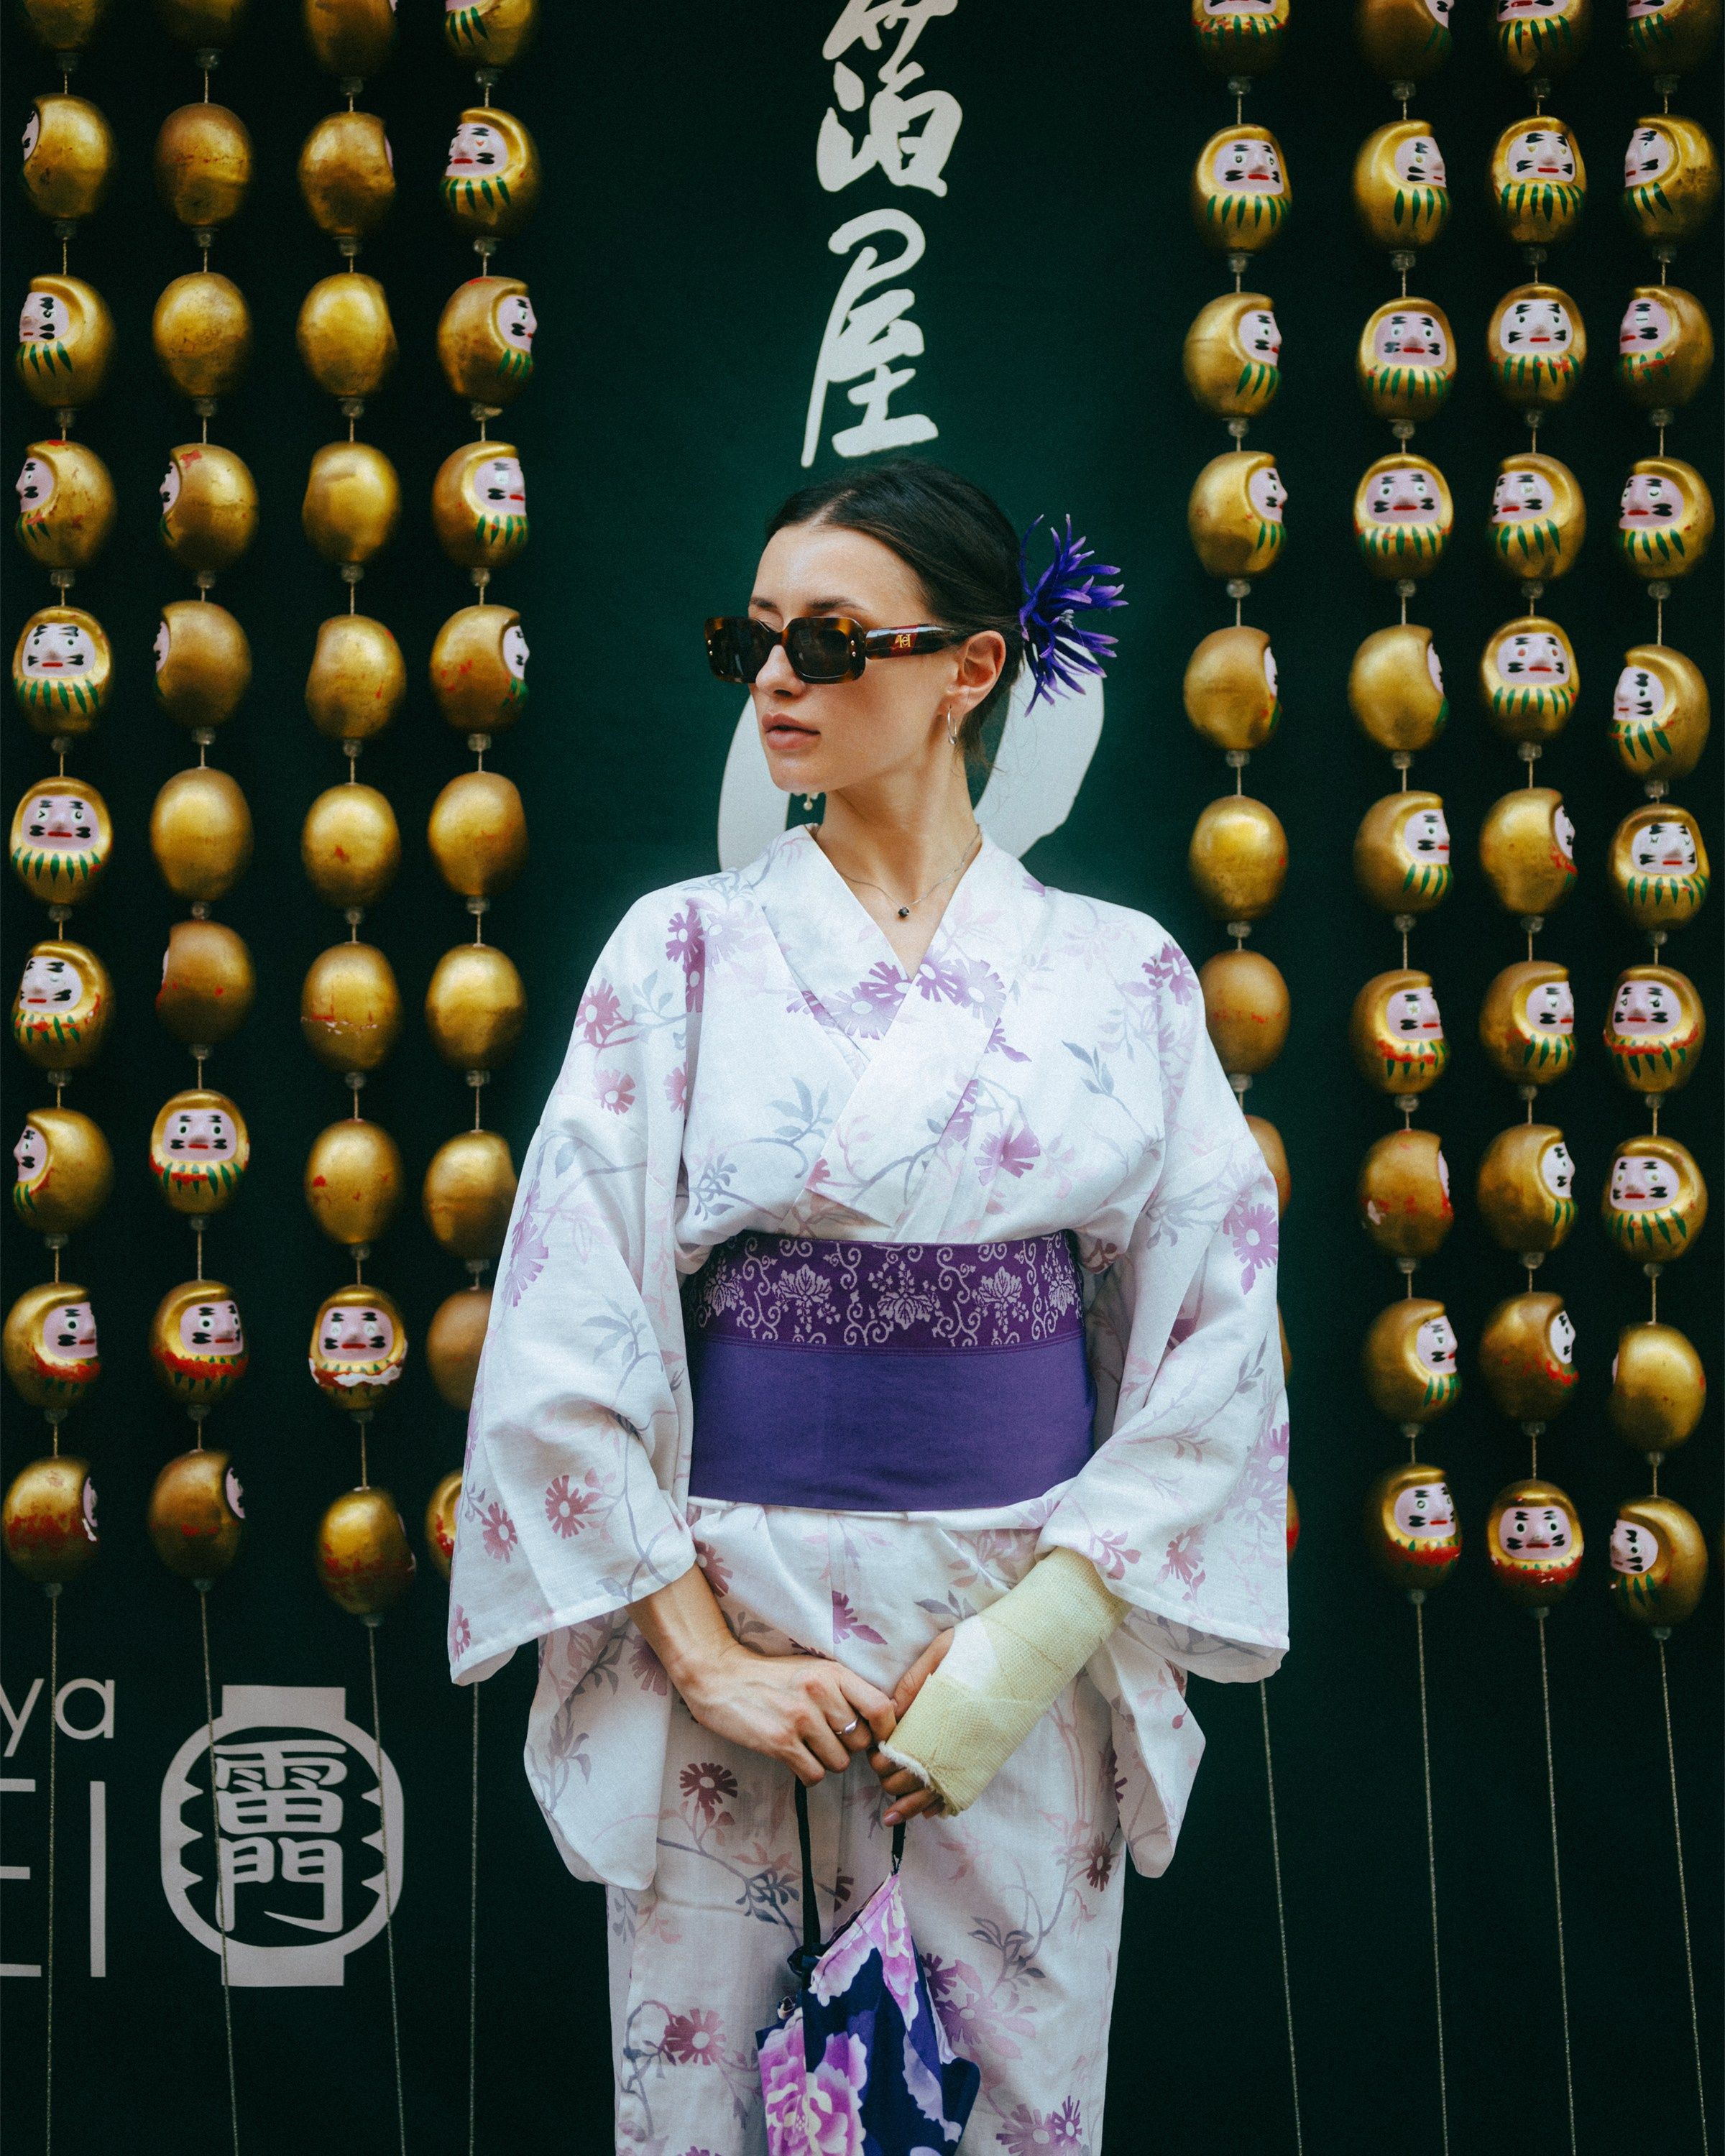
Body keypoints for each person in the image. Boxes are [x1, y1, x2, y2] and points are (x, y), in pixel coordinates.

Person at [449, 460, 1289, 2154]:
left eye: (828, 642)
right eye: (752, 641)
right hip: (731, 1622)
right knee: (711, 2102)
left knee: (1007, 2103)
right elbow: (562, 1327)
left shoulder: (1121, 975)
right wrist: (705, 1658)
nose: (777, 679)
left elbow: (1217, 1341)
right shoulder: (677, 954)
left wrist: (1030, 1647)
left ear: (971, 669)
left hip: (1015, 1632)